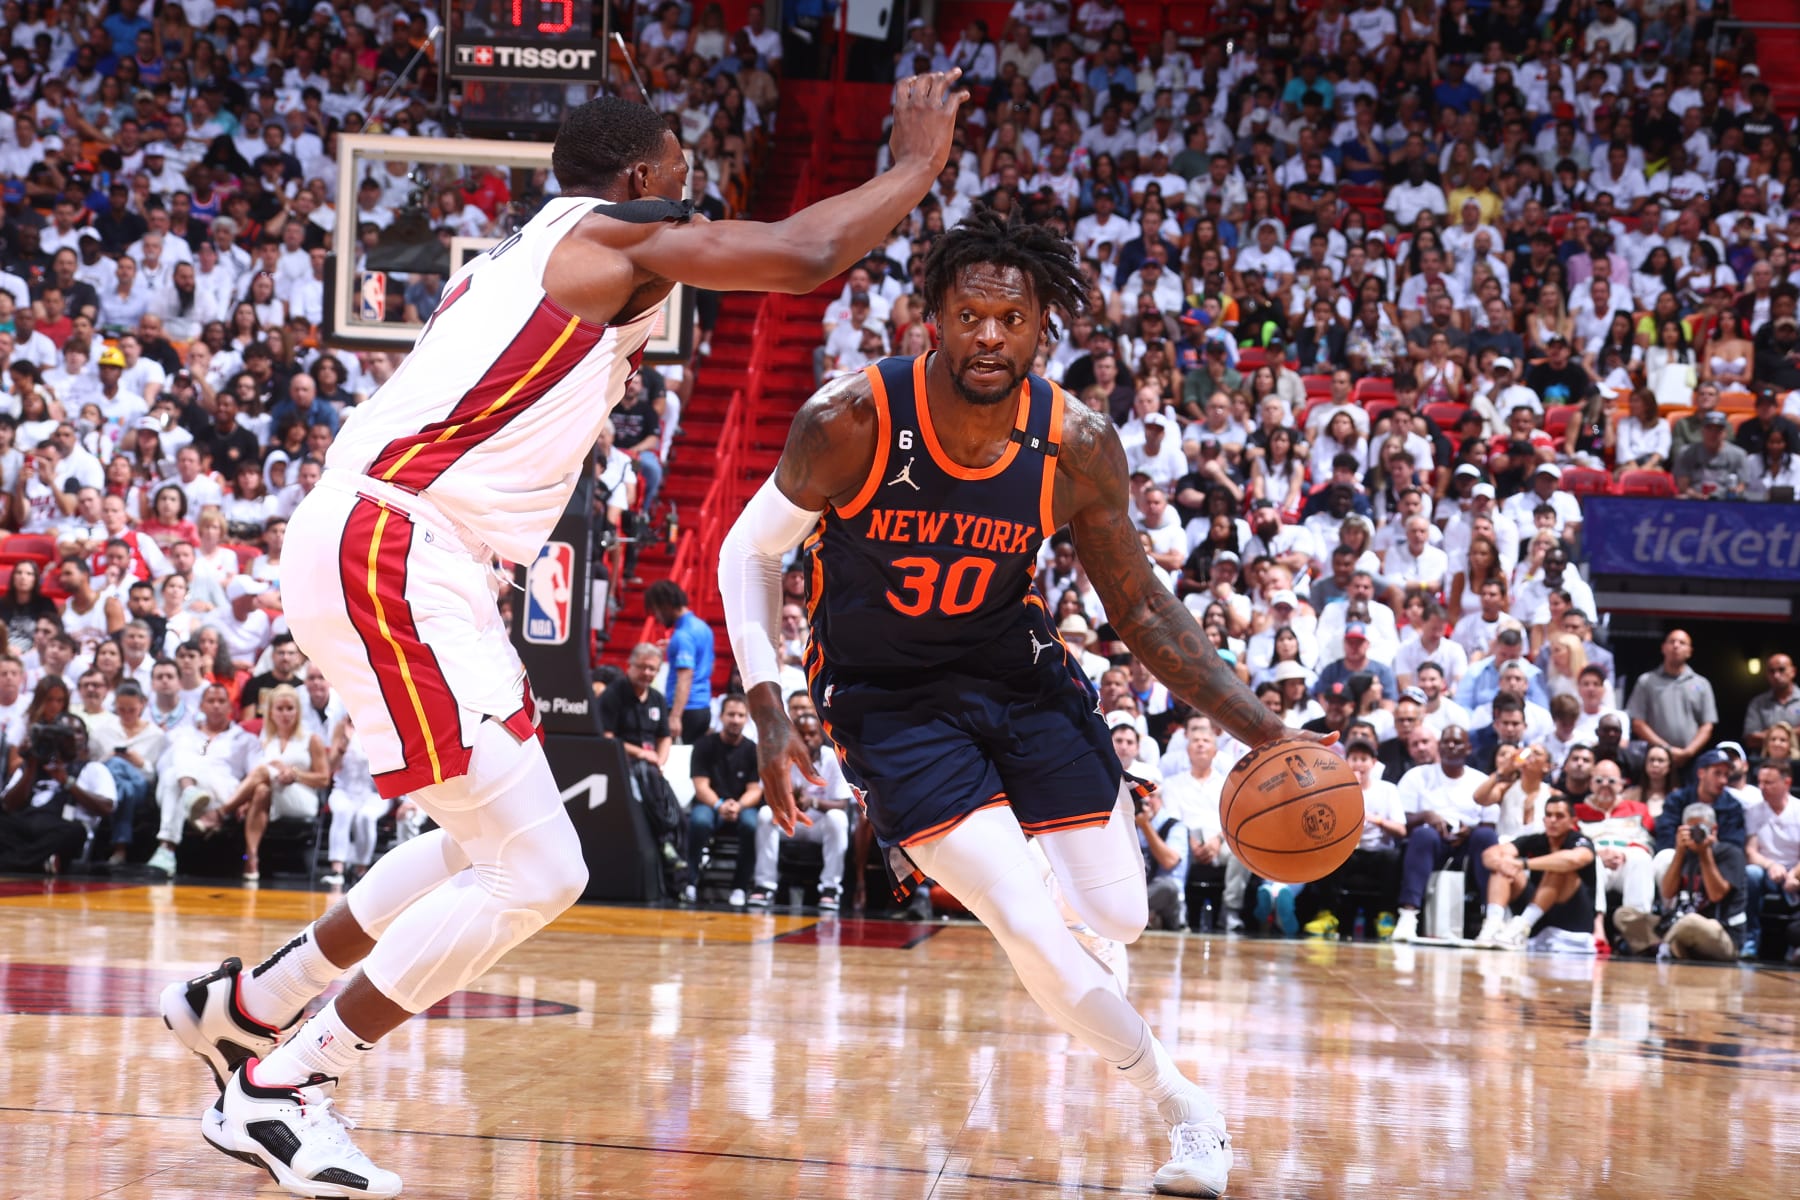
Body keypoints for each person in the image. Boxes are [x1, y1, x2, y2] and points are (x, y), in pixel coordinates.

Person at [161, 75, 973, 1195]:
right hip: (393, 543)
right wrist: (919, 163)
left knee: (476, 842)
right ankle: (284, 1087)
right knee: (540, 868)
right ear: (642, 182)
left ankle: (249, 1008)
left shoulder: (531, 244)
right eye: (685, 185)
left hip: (411, 550)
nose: (695, 208)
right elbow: (797, 255)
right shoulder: (617, 233)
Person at [720, 207, 1333, 1197]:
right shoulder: (853, 421)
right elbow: (749, 550)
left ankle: (1066, 937)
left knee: (1119, 918)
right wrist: (771, 701)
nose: (990, 337)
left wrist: (1264, 730)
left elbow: (1140, 607)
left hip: (1020, 676)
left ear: (1043, 325)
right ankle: (1188, 1110)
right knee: (1023, 921)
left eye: (1012, 320)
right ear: (933, 319)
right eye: (970, 316)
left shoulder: (1078, 446)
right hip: (892, 704)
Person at [1391, 725, 1495, 942]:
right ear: (1439, 747)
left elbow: (1490, 824)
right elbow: (1401, 820)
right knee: (1423, 835)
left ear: (1468, 748)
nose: (1451, 746)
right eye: (1446, 741)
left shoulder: (1480, 780)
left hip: (1468, 845)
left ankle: (1492, 920)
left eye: (1457, 742)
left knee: (1486, 838)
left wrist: (1471, 830)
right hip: (1432, 843)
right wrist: (1426, 816)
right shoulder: (1417, 776)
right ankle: (1408, 916)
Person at [1615, 800, 1749, 961]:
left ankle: (1660, 948)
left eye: (1701, 829)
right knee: (1624, 914)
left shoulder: (1730, 853)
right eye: (1691, 830)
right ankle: (1668, 948)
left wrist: (1704, 853)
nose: (1696, 835)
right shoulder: (1684, 854)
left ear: (1714, 830)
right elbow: (1668, 892)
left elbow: (1716, 895)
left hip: (1720, 933)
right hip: (1677, 924)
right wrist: (1679, 851)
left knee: (1691, 922)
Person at [754, 707, 851, 908]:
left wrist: (813, 802)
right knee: (765, 814)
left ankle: (830, 889)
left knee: (838, 819)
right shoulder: (780, 756)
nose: (807, 738)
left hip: (818, 825)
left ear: (821, 736)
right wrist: (789, 801)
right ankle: (764, 886)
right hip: (790, 822)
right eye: (801, 734)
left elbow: (842, 803)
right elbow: (767, 795)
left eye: (812, 734)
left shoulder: (833, 758)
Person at [1474, 795, 1598, 951]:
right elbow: (1490, 854)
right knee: (1503, 866)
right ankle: (1493, 924)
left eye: (1559, 816)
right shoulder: (1535, 840)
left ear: (1573, 821)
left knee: (1559, 866)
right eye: (1548, 815)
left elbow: (1575, 859)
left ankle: (1522, 925)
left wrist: (1524, 864)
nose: (1552, 820)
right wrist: (1503, 864)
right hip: (1538, 919)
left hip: (1572, 918)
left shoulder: (1580, 841)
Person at [687, 693, 766, 906]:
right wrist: (720, 805)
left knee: (752, 824)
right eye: (731, 714)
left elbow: (755, 789)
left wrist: (737, 806)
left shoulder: (752, 749)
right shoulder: (704, 744)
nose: (735, 719)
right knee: (699, 821)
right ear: (721, 717)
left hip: (742, 805)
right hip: (711, 803)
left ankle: (740, 887)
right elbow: (701, 786)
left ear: (747, 718)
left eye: (741, 715)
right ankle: (690, 882)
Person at [1626, 628, 1717, 780]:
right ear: (1663, 648)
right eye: (1672, 641)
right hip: (1655, 761)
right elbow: (1638, 723)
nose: (1676, 645)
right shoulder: (1647, 681)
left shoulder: (1701, 684)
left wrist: (1688, 752)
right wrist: (1666, 750)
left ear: (1689, 651)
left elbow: (1707, 725)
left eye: (1682, 643)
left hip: (1690, 761)